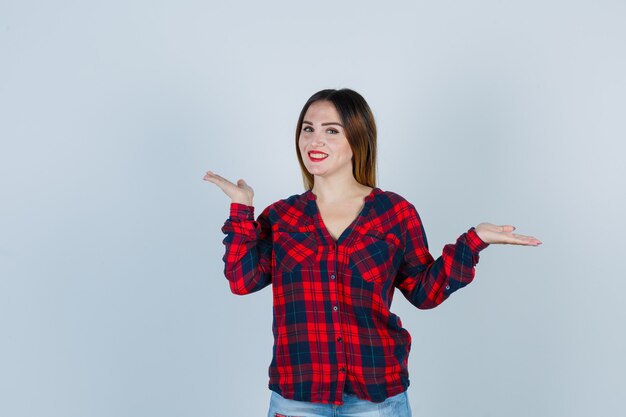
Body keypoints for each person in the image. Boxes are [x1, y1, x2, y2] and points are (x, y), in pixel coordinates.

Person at [203, 88, 541, 417]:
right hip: (297, 400)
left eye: (331, 131)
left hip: (377, 399)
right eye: (308, 129)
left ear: (356, 139)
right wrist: (241, 208)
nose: (314, 140)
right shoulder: (282, 217)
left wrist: (474, 241)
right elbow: (242, 281)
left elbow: (425, 292)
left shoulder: (393, 213)